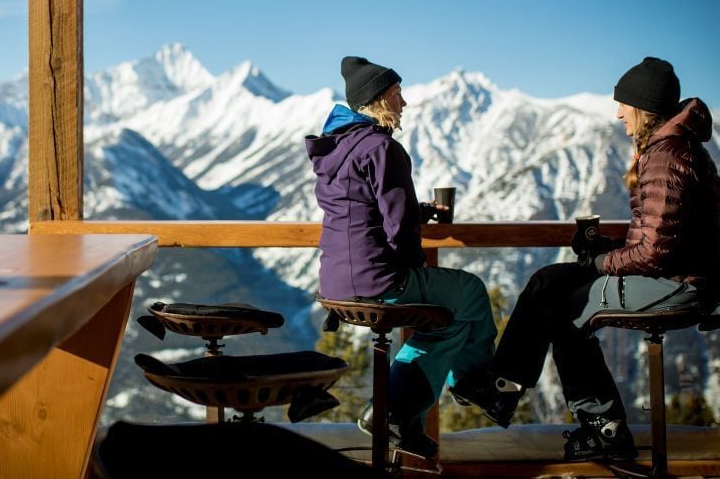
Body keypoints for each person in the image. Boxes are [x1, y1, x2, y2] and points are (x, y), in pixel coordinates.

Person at [451, 56, 719, 462]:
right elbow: (661, 238)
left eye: (624, 105)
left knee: (564, 309)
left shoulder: (666, 155)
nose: (618, 114)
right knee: (549, 280)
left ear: (643, 108)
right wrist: (608, 249)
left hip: (681, 284)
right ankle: (503, 386)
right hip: (679, 275)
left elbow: (654, 252)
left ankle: (601, 428)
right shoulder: (673, 149)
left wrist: (598, 264)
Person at [305, 55, 498, 459]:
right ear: (377, 100)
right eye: (396, 94)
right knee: (471, 293)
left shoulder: (337, 150)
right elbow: (398, 227)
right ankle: (474, 384)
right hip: (379, 280)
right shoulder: (383, 147)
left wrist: (416, 210)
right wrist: (411, 264)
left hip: (336, 283)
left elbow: (363, 208)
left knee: (448, 326)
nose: (404, 102)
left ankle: (395, 420)